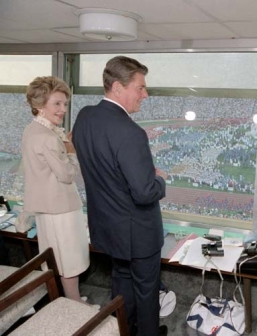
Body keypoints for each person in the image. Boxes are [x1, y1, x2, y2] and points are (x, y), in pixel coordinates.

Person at [72, 56, 168, 336]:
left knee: (122, 282)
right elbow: (145, 192)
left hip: (108, 227)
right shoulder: (131, 132)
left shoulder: (84, 117)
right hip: (138, 232)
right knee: (147, 290)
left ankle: (123, 329)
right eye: (140, 88)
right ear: (117, 87)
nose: (145, 94)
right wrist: (159, 179)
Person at [22, 76, 90, 304]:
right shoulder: (47, 137)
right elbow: (67, 174)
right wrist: (70, 150)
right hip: (60, 209)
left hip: (46, 208)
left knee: (58, 260)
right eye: (57, 104)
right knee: (69, 261)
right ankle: (75, 306)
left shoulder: (31, 130)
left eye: (65, 104)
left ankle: (71, 302)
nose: (63, 110)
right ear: (40, 106)